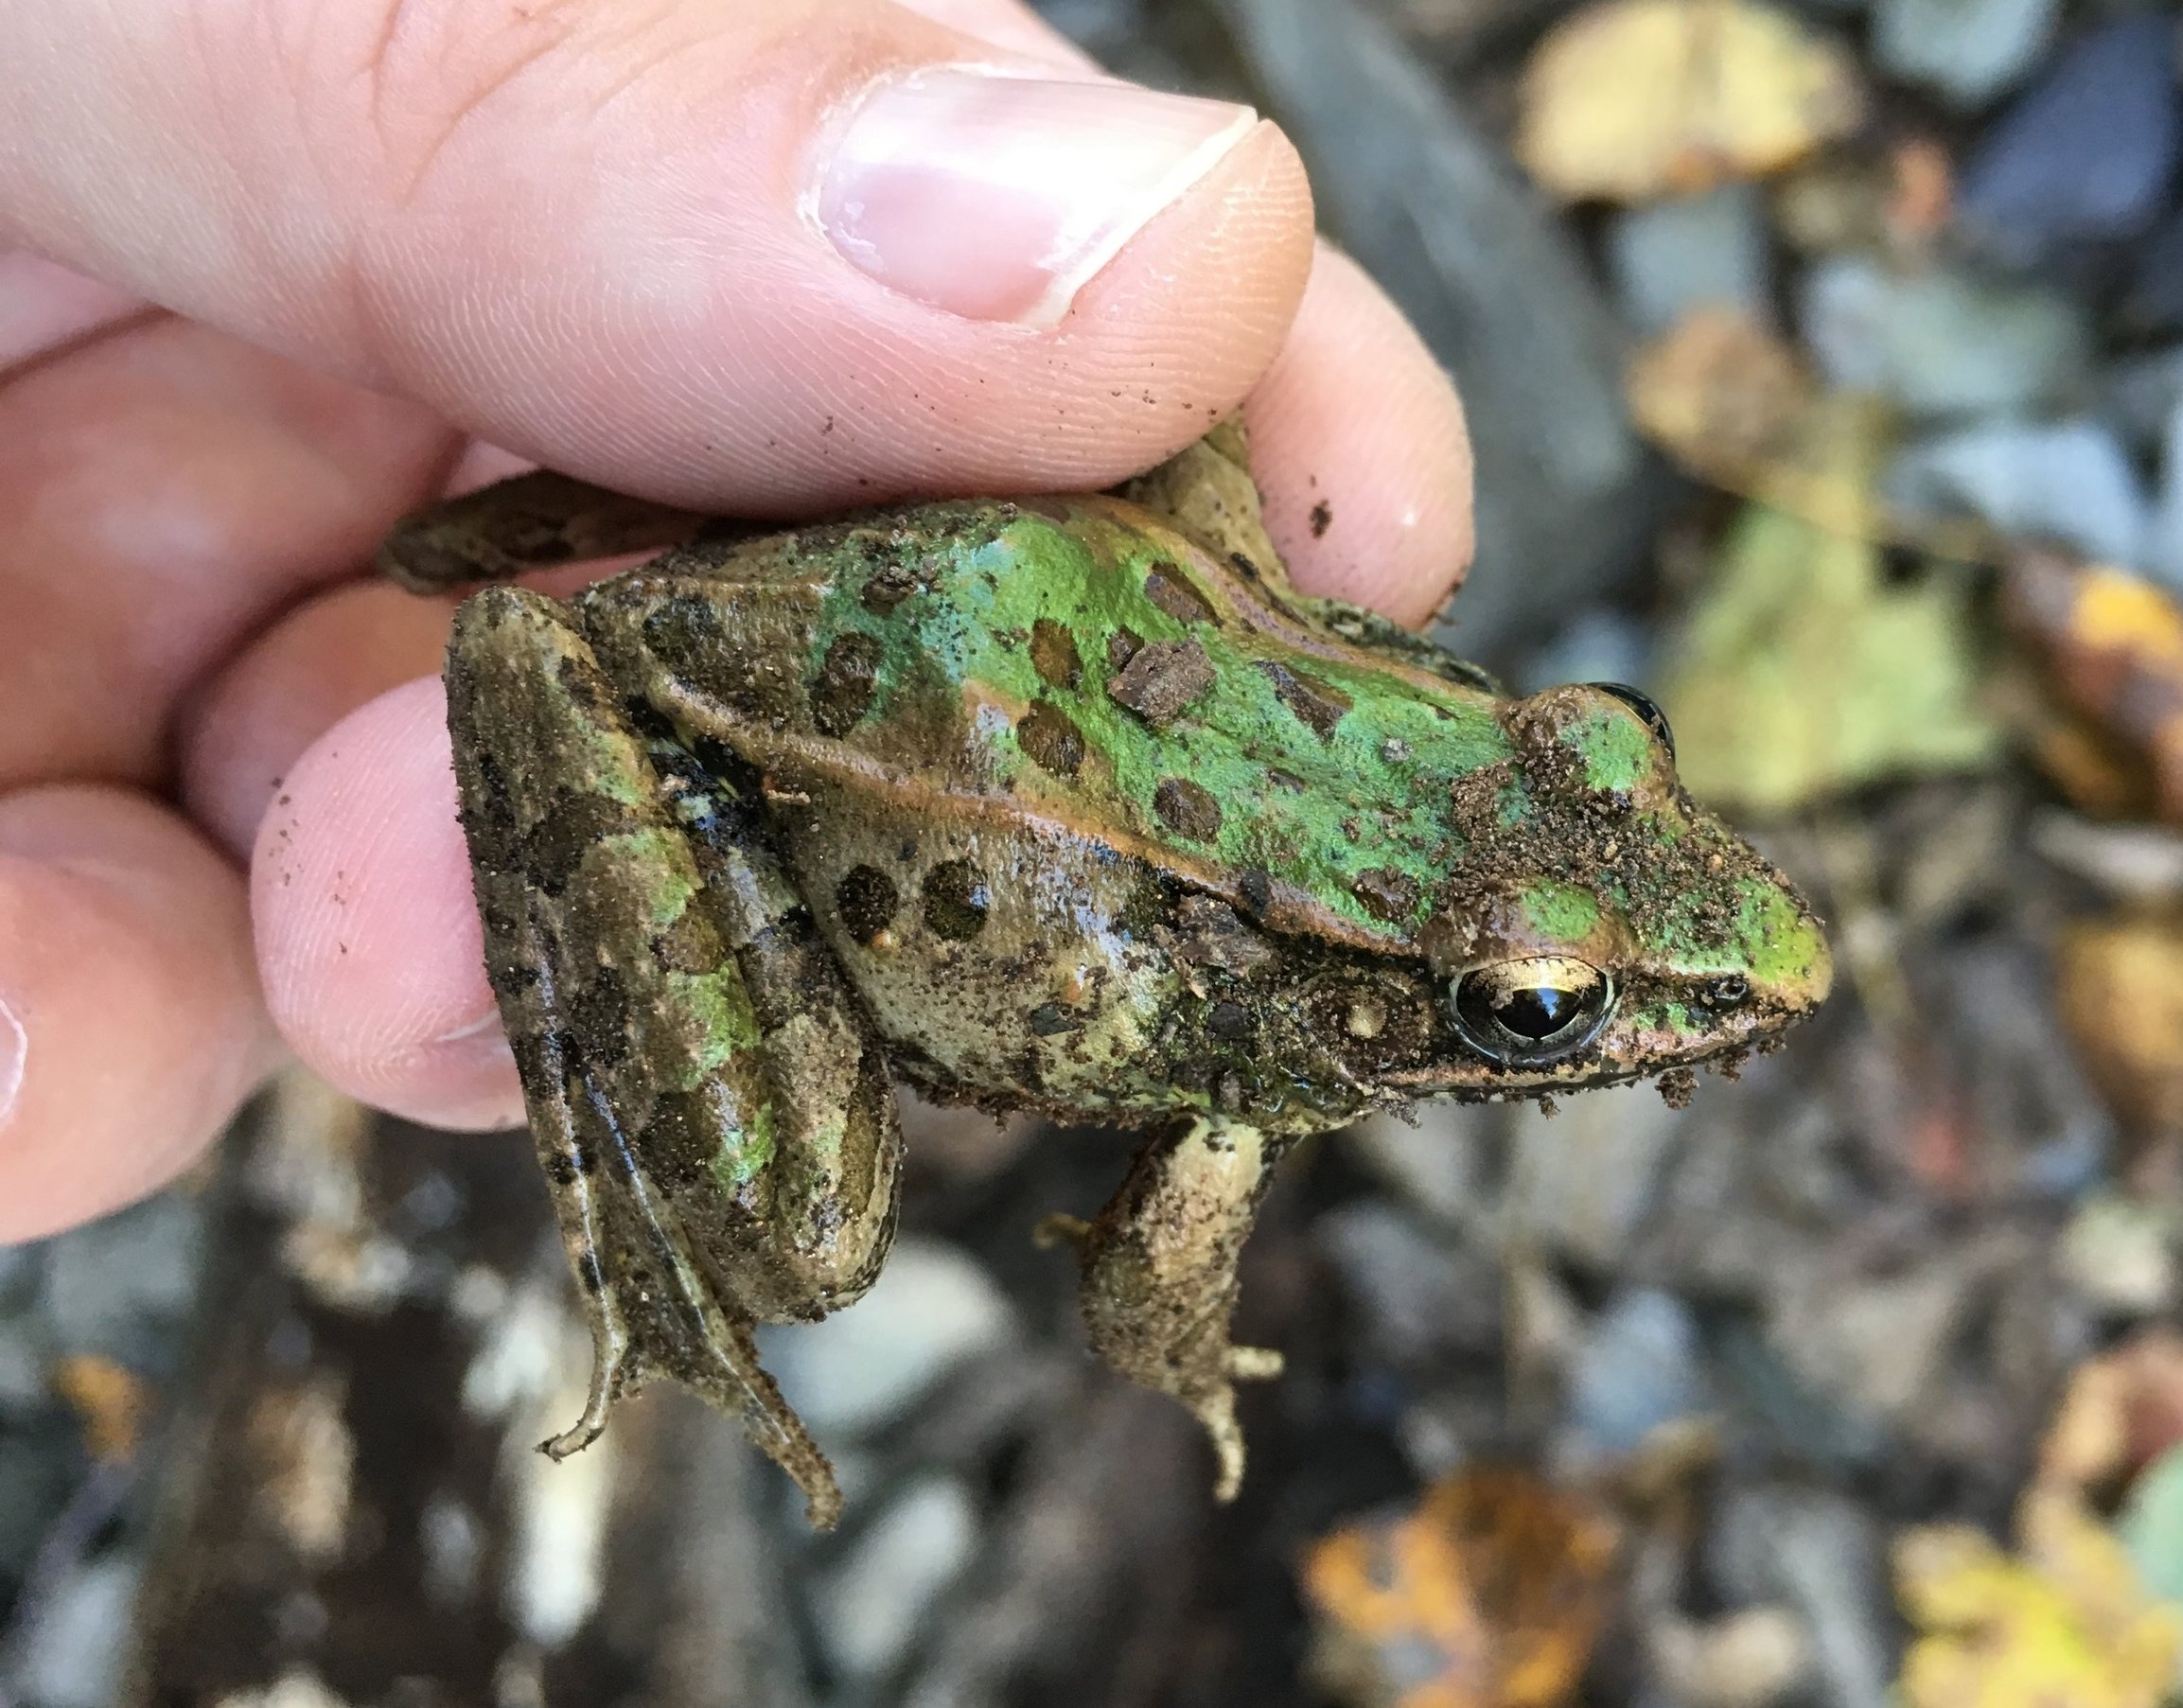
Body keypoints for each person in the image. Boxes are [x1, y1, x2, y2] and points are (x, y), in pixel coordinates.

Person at [0, 0, 1474, 1243]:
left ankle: (474, 548)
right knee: (812, 1242)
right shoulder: (1254, 1073)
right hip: (765, 744)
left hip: (908, 559)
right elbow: (1145, 1288)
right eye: (1529, 1008)